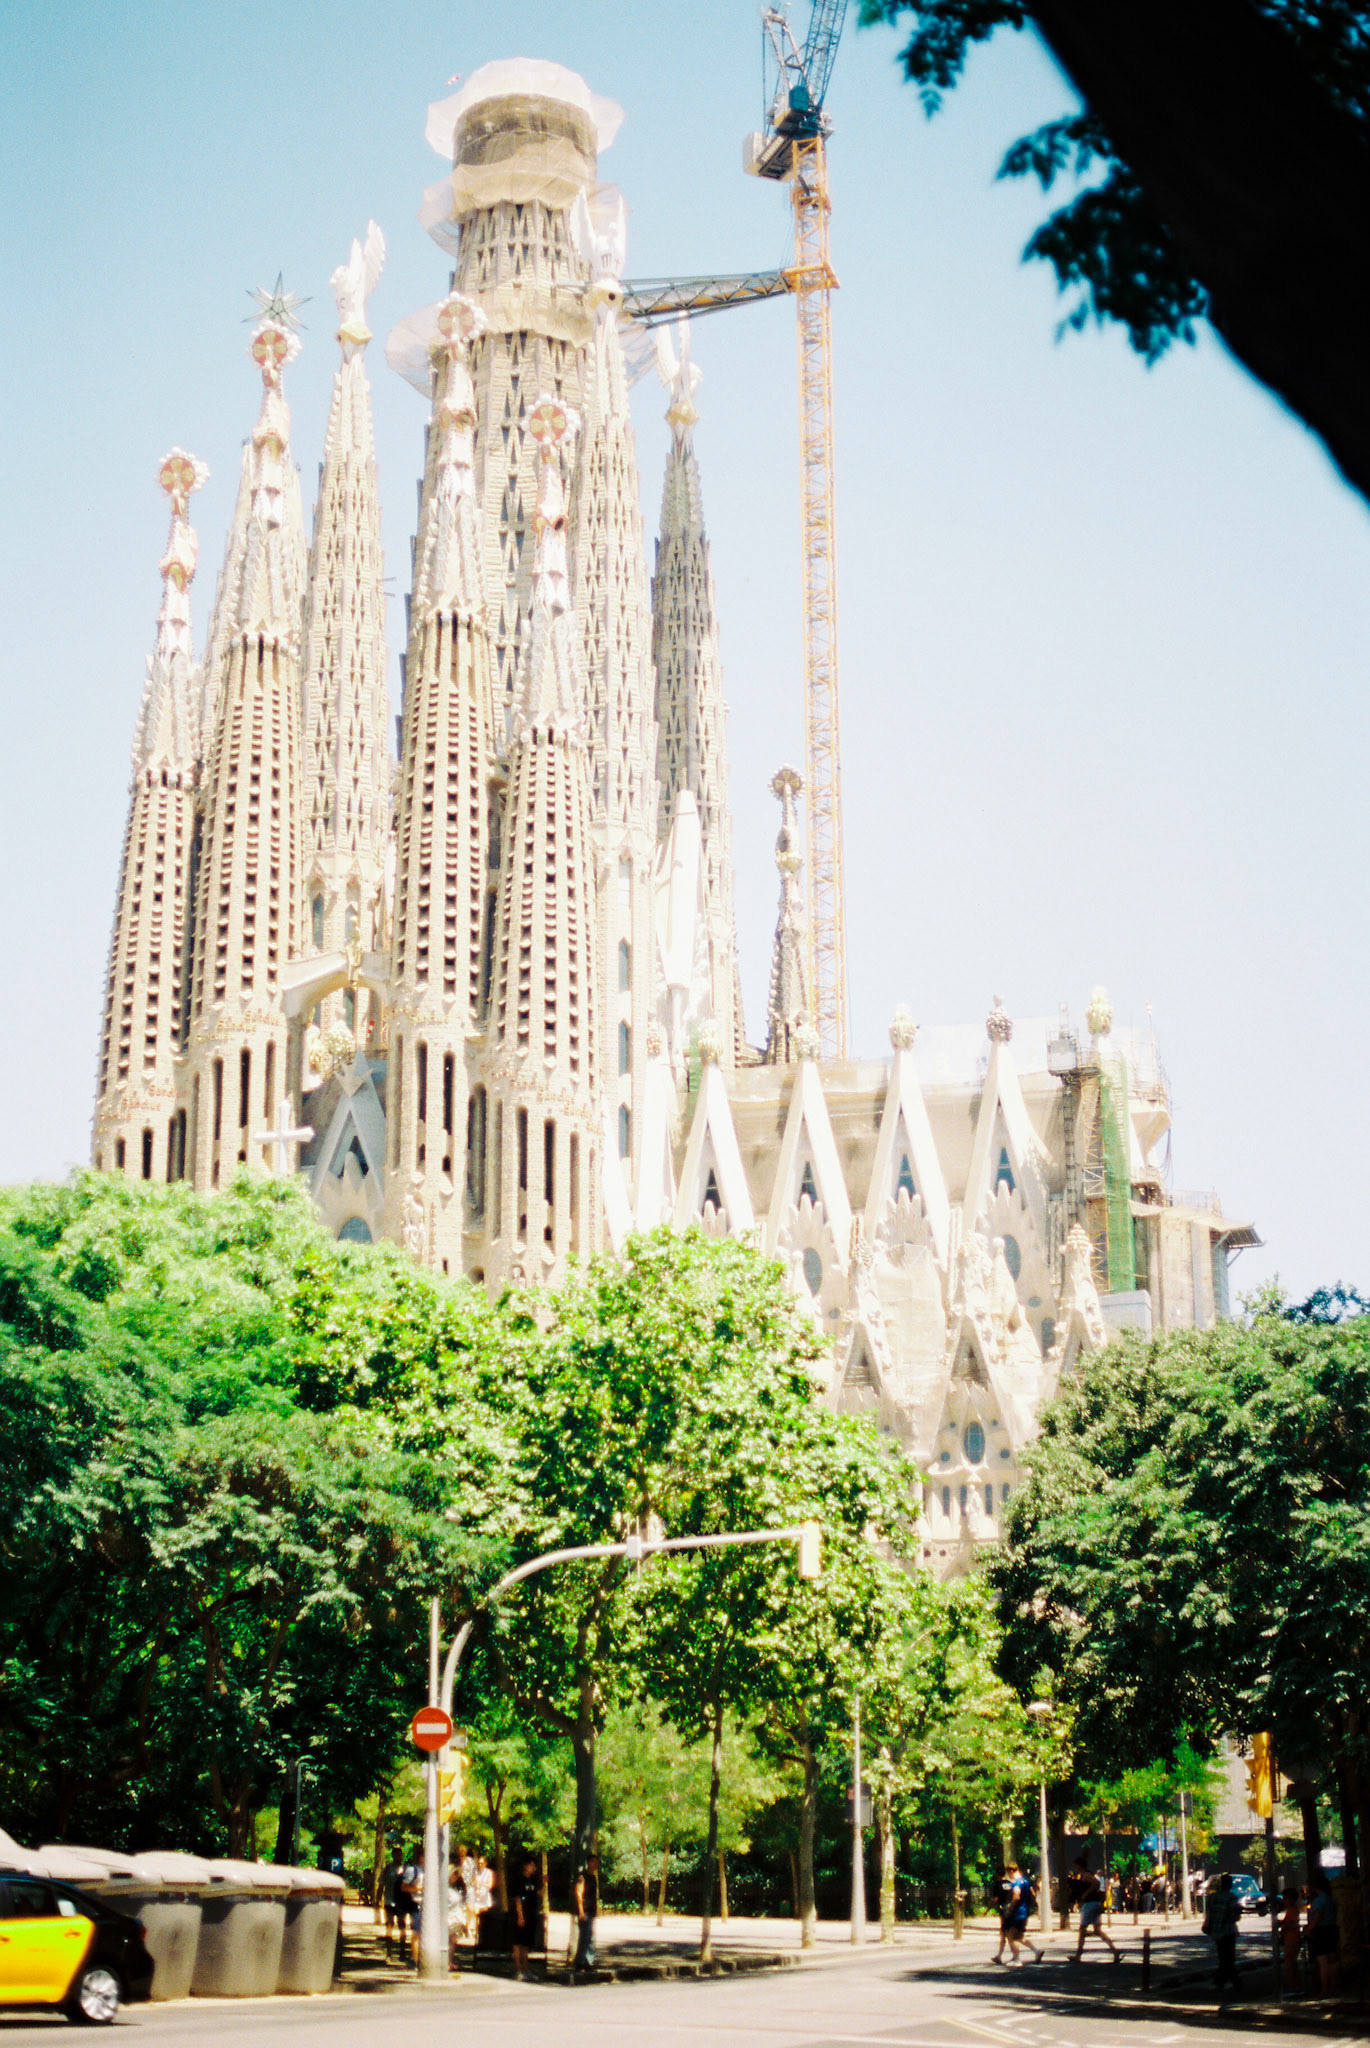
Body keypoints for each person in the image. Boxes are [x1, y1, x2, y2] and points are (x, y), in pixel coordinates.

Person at [1069, 1859, 1122, 1964]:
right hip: (1095, 1903)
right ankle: (1115, 1951)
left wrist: (1085, 1894)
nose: (1075, 1868)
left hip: (1090, 1904)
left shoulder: (1086, 1875)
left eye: (1076, 1866)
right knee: (1097, 1930)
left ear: (1080, 1866)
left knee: (1082, 1930)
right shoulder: (1084, 1875)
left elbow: (1096, 1883)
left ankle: (1078, 1955)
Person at [1203, 1872, 1241, 1998]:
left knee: (1223, 1957)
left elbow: (1208, 1914)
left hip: (1216, 1930)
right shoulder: (1232, 1898)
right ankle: (1233, 1982)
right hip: (1228, 1931)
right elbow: (1236, 1916)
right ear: (1230, 1885)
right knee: (1229, 1958)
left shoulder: (1212, 1897)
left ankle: (1222, 1980)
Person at [1001, 1861, 1044, 1967]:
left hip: (1017, 1913)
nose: (1008, 1875)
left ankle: (1017, 1959)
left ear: (1011, 1871)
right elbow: (1032, 1894)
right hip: (1025, 1912)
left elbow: (1016, 1896)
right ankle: (1036, 1951)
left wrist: (1009, 1908)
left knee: (1011, 1936)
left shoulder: (1016, 1882)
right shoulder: (1026, 1881)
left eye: (1008, 1872)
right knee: (1019, 1936)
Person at [1306, 1867, 1339, 1997]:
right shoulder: (1331, 1899)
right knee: (1333, 1961)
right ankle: (1335, 1986)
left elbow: (1317, 1917)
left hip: (1322, 1931)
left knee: (1323, 1962)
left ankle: (1325, 1989)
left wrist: (1309, 1929)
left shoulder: (1319, 1900)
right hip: (1332, 1929)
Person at [511, 1852, 540, 1981]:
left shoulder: (533, 1880)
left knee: (526, 1944)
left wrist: (543, 1884)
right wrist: (520, 1916)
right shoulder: (518, 1879)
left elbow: (537, 1894)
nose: (533, 1868)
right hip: (520, 1914)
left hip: (531, 1914)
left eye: (534, 1866)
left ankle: (526, 1968)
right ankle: (518, 1969)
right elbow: (518, 1898)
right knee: (517, 1942)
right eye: (531, 1865)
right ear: (525, 1866)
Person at [572, 1853, 599, 1975]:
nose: (595, 1864)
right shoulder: (582, 1877)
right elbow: (578, 1893)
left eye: (596, 1862)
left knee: (590, 1938)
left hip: (591, 1911)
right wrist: (581, 1911)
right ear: (588, 1863)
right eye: (593, 1862)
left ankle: (589, 1961)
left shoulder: (593, 1877)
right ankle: (580, 1962)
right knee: (584, 1937)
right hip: (585, 1911)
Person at [397, 1845, 423, 1967]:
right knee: (416, 1933)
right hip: (416, 1905)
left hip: (428, 1906)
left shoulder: (433, 1870)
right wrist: (418, 1888)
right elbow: (403, 1887)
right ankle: (415, 1960)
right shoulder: (413, 1870)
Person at [990, 1862, 1016, 1964]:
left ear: (997, 1874)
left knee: (1006, 1934)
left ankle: (1014, 1955)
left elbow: (995, 1899)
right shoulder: (1010, 1883)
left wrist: (990, 1905)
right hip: (1011, 1909)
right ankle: (999, 1955)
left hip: (1003, 1910)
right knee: (1004, 1933)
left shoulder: (997, 1884)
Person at [1278, 1885, 1302, 1996]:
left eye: (1285, 1898)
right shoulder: (1291, 1910)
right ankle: (1295, 1986)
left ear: (1291, 1899)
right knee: (1291, 1964)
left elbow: (1291, 1924)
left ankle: (1294, 1987)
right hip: (1290, 1938)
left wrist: (1281, 1924)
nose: (1284, 1901)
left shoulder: (1293, 1910)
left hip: (1292, 1939)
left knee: (1290, 1964)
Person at [381, 1850, 402, 1951]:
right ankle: (388, 1952)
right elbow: (381, 1885)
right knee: (389, 1925)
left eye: (399, 1854)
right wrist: (377, 1901)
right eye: (396, 1854)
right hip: (389, 1901)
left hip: (402, 1902)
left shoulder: (405, 1869)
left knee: (402, 1925)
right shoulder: (387, 1869)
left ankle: (402, 1953)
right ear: (393, 1856)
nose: (398, 1857)